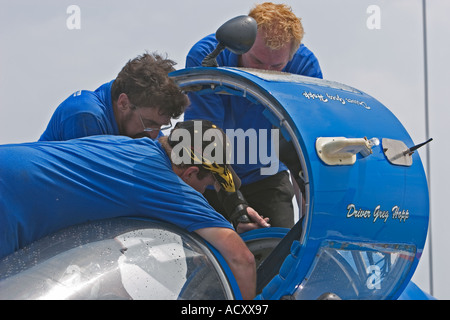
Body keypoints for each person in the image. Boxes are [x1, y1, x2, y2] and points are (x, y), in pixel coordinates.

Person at [0, 120, 264, 299]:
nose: (203, 194)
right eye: (206, 186)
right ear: (191, 171)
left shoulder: (137, 147)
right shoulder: (164, 185)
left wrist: (236, 212)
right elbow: (242, 259)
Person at [184, 2, 323, 228]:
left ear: (292, 56)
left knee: (284, 253)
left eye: (276, 66)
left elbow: (305, 143)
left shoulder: (305, 68)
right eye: (257, 62)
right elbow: (204, 140)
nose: (264, 73)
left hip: (266, 176)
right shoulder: (207, 57)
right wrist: (235, 205)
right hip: (209, 178)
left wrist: (313, 210)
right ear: (243, 44)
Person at [39, 52, 188, 141]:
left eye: (161, 126)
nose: (155, 133)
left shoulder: (143, 125)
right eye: (149, 123)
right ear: (123, 103)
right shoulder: (85, 116)